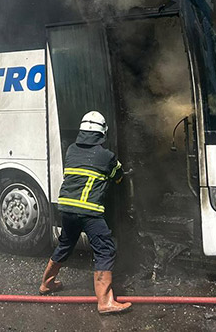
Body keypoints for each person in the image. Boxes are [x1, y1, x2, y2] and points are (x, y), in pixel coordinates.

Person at [38, 111, 131, 314]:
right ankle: (105, 302)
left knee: (65, 244)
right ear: (102, 133)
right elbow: (118, 177)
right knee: (104, 250)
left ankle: (47, 284)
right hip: (88, 211)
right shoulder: (106, 156)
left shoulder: (71, 150)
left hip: (67, 208)